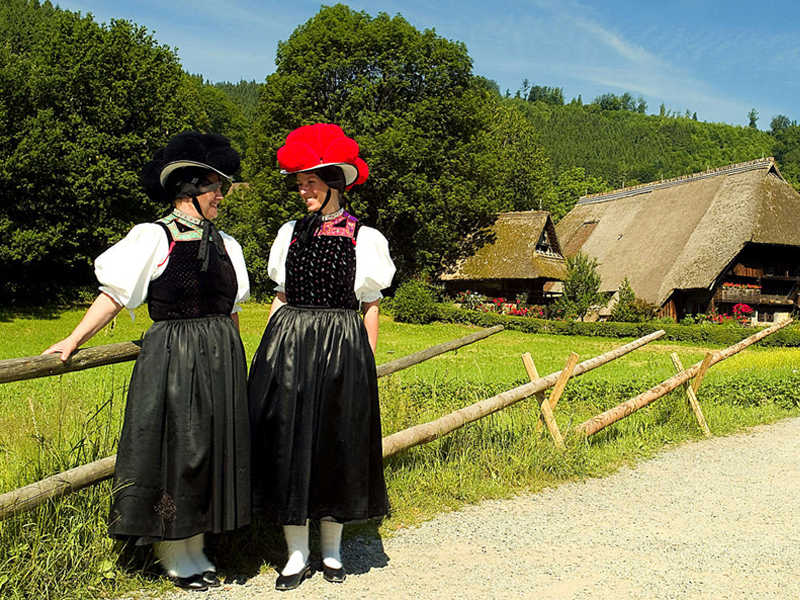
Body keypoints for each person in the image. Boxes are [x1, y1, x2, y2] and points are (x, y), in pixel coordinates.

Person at [43, 132, 251, 591]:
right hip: (175, 357)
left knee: (210, 447)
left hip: (219, 356)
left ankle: (197, 546)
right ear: (191, 191)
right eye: (216, 186)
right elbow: (114, 295)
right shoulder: (152, 237)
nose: (222, 195)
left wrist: (236, 367)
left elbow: (232, 309)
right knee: (180, 449)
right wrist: (73, 338)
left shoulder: (227, 244)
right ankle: (172, 551)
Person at [248, 123, 395, 590]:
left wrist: (365, 363)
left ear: (334, 183)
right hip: (290, 343)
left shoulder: (362, 236)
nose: (303, 189)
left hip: (340, 345)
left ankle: (331, 552)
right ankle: (296, 554)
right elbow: (281, 294)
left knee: (336, 443)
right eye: (300, 182)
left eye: (311, 181)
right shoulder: (288, 232)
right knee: (288, 441)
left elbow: (370, 305)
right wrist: (268, 353)